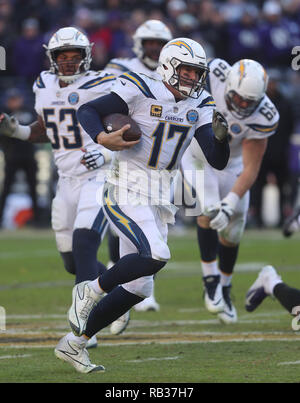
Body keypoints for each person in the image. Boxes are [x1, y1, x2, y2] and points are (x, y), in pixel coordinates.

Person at [54, 37, 230, 373]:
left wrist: (223, 138)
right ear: (168, 66)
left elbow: (216, 159)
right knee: (157, 254)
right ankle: (89, 290)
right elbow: (87, 110)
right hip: (126, 186)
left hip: (160, 195)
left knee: (140, 285)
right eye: (187, 71)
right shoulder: (139, 85)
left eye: (197, 72)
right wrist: (103, 138)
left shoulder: (202, 102)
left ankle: (74, 344)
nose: (193, 78)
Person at [0, 26, 128, 344]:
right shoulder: (43, 84)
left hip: (98, 177)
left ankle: (84, 325)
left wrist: (104, 152)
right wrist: (16, 130)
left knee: (86, 244)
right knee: (72, 261)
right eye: (62, 56)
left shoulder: (104, 84)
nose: (69, 62)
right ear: (52, 58)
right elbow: (46, 129)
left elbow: (130, 127)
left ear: (86, 56)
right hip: (66, 179)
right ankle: (121, 292)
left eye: (74, 56)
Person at [181, 58, 279, 324]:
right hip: (200, 157)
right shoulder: (213, 74)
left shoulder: (264, 116)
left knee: (233, 230)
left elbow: (251, 167)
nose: (243, 105)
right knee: (209, 210)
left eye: (250, 101)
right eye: (240, 98)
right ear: (229, 85)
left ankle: (225, 285)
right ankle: (210, 281)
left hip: (234, 166)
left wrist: (231, 202)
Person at [104, 19, 173, 312]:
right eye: (150, 43)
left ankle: (139, 285)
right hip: (122, 151)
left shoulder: (176, 74)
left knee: (154, 227)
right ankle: (113, 280)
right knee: (122, 222)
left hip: (160, 159)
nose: (155, 49)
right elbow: (104, 106)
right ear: (139, 44)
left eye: (160, 44)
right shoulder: (121, 67)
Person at [0, 88, 39, 227]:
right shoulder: (3, 114)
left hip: (29, 156)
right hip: (11, 157)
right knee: (6, 188)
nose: (14, 102)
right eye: (11, 100)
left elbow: (37, 131)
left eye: (16, 99)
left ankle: (38, 221)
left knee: (33, 187)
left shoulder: (30, 111)